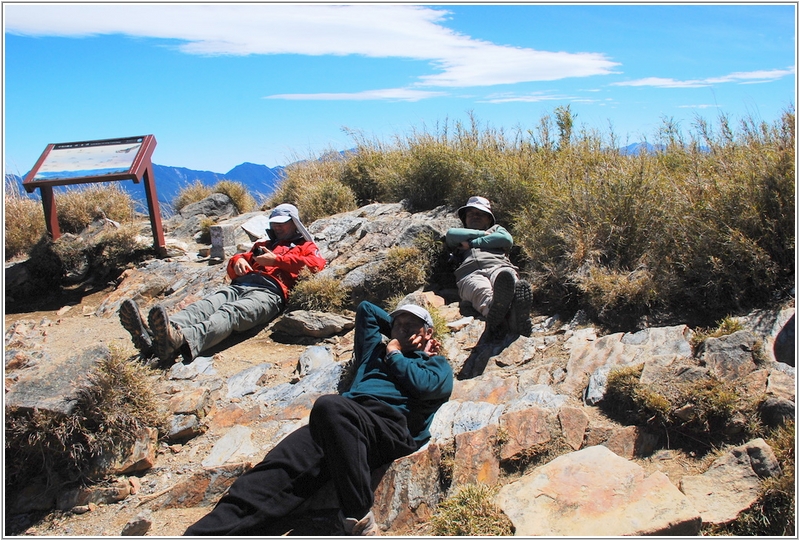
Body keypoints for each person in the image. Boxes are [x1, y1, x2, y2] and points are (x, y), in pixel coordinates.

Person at [183, 300, 453, 536]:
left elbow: (425, 387)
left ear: (428, 332)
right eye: (398, 323)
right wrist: (395, 334)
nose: (403, 328)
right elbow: (366, 310)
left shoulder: (434, 364)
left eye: (413, 324)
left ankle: (358, 519)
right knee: (272, 470)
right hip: (338, 423)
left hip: (387, 427)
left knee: (330, 407)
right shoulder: (373, 353)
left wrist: (398, 350)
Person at [119, 203, 326, 364]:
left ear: (294, 223)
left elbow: (316, 265)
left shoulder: (305, 246)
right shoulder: (263, 245)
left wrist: (277, 261)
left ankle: (179, 339)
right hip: (240, 285)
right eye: (275, 222)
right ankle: (156, 334)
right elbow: (237, 260)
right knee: (205, 305)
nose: (278, 227)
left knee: (231, 313)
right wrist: (238, 261)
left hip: (270, 292)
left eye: (283, 222)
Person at [445, 195, 533, 338]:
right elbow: (450, 234)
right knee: (480, 289)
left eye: (480, 214)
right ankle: (501, 312)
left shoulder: (497, 229)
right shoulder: (460, 234)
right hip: (470, 273)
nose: (475, 216)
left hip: (498, 266)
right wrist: (481, 234)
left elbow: (506, 239)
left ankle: (513, 310)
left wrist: (473, 243)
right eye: (471, 213)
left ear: (489, 219)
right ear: (465, 218)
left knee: (506, 279)